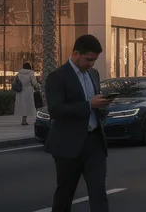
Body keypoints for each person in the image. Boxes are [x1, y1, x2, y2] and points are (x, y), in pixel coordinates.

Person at [45, 34, 113, 212]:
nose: (91, 64)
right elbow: (55, 110)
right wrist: (89, 105)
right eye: (88, 59)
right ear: (75, 53)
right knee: (65, 193)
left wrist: (103, 106)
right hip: (68, 144)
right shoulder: (57, 77)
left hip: (95, 142)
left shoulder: (94, 74)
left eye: (94, 60)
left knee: (98, 192)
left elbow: (95, 104)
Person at [15, 61, 40, 126]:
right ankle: (25, 120)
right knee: (28, 105)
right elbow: (34, 82)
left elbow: (16, 81)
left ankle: (23, 120)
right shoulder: (30, 73)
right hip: (28, 91)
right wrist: (37, 86)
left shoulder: (19, 73)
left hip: (20, 91)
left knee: (23, 105)